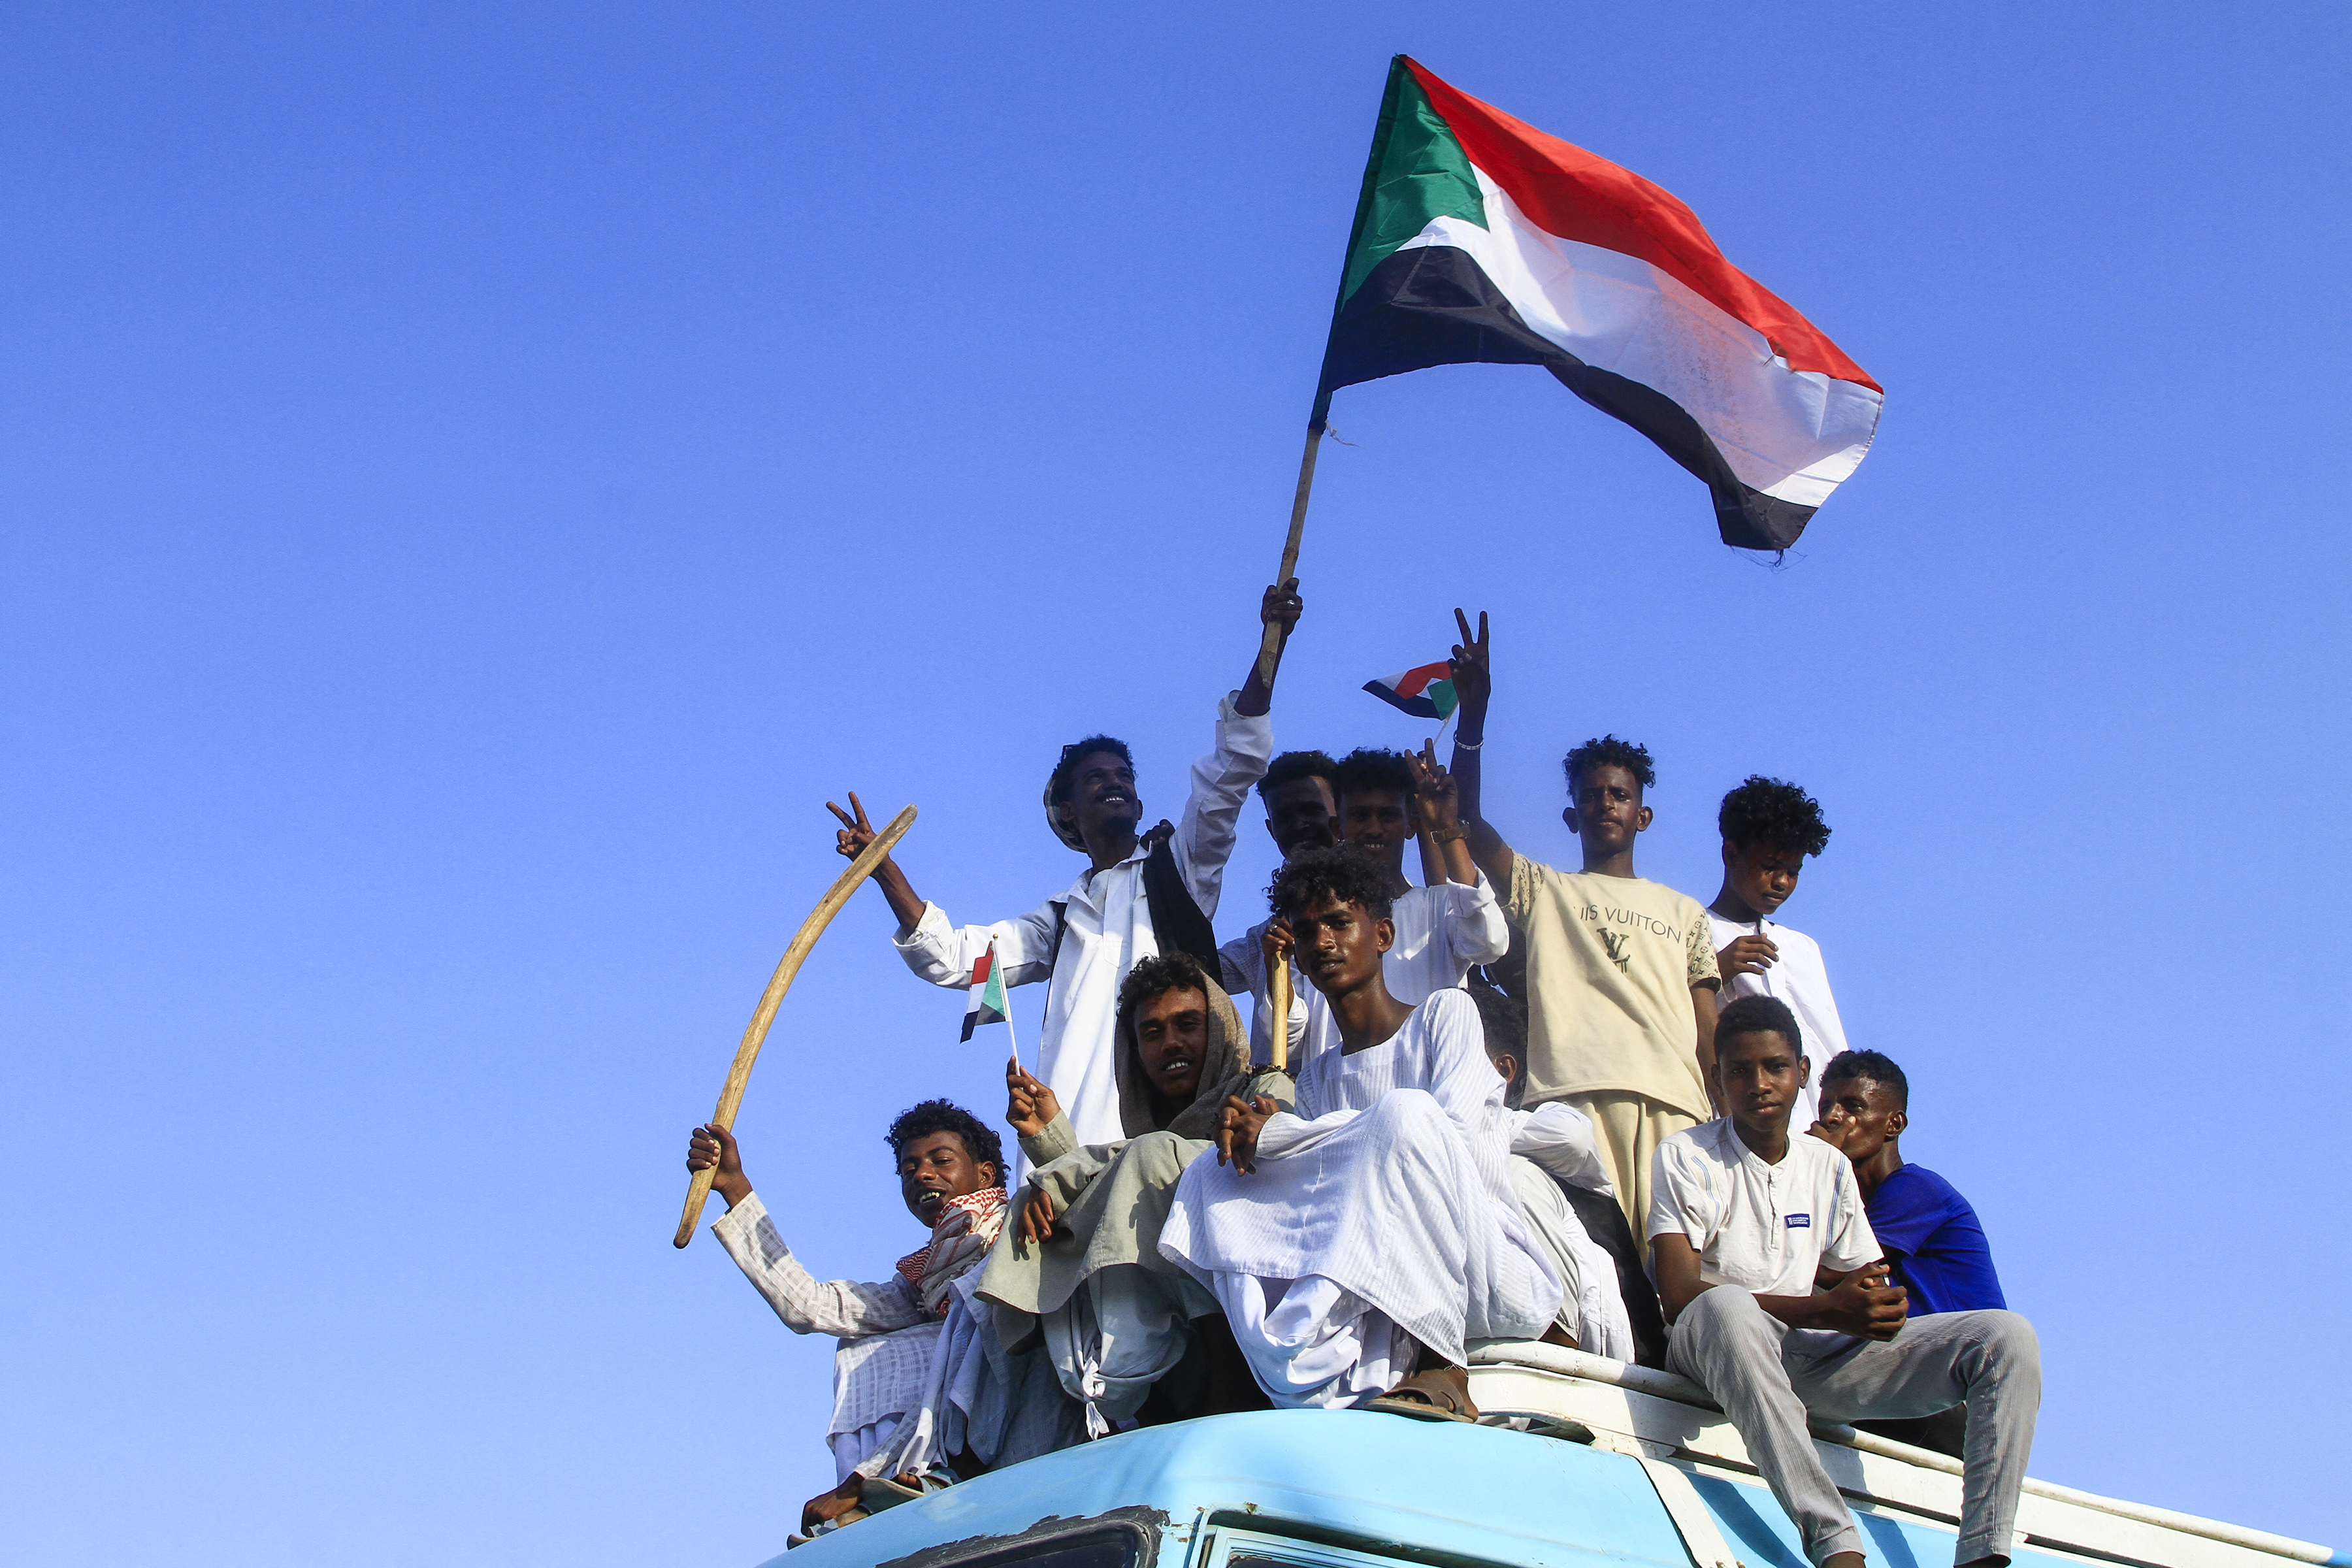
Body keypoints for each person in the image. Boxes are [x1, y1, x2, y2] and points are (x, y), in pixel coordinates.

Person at [830, 581, 1304, 1152]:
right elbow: (956, 958)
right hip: (1073, 1142)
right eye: (1096, 779)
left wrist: (1268, 649)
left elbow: (1229, 771)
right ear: (1068, 813)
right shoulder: (1059, 920)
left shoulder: (1179, 867)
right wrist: (884, 870)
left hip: (1178, 1130)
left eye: (1124, 777)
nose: (1115, 784)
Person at [1158, 847, 1561, 1420]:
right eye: (1305, 931)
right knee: (1208, 1173)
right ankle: (1252, 1376)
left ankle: (1443, 1368)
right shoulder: (1319, 1075)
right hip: (1380, 1286)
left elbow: (1453, 1149)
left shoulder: (1444, 1015)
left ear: (1384, 935)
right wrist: (1264, 1143)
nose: (1322, 941)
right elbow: (1328, 1189)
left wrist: (1288, 1138)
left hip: (1487, 1272)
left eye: (1339, 923)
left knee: (1406, 1118)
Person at [1650, 997, 2040, 1568]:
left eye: (1776, 1067)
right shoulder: (1686, 1153)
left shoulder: (1827, 1166)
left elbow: (1863, 1279)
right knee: (1728, 1306)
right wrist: (1827, 1310)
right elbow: (1680, 1294)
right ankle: (1836, 1543)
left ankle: (1983, 1552)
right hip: (1714, 1351)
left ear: (1802, 1073)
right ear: (1718, 1078)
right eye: (1740, 1070)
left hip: (1803, 1359)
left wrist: (1873, 1307)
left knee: (2008, 1336)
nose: (1759, 1083)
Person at [1443, 608, 1721, 1247]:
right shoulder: (1545, 890)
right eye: (1591, 796)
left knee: (1677, 1275)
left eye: (1618, 795)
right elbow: (1466, 821)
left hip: (1673, 1104)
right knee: (1594, 1276)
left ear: (1643, 814)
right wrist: (1474, 716)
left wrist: (1722, 1114)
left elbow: (1710, 1027)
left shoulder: (1684, 912)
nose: (1605, 805)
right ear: (1572, 815)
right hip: (1570, 1100)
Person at [981, 954, 1292, 1436]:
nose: (1171, 1043)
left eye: (1188, 1024)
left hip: (1263, 1304)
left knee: (1154, 1160)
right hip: (1179, 1351)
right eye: (1151, 1033)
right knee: (1032, 1209)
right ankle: (1134, 1400)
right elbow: (1122, 1186)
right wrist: (1055, 1154)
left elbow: (1207, 1163)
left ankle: (1220, 1383)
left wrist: (1068, 1168)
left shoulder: (1264, 1087)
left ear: (1220, 1029)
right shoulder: (1146, 1136)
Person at [684, 1102, 1010, 1489]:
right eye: (908, 1170)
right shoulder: (923, 1282)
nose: (922, 1175)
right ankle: (890, 1486)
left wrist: (860, 1480)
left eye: (941, 1161)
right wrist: (735, 1185)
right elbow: (810, 1305)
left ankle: (908, 1477)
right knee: (859, 1349)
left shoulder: (1016, 1227)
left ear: (985, 1174)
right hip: (943, 1427)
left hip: (1019, 1405)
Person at [1816, 1048, 2008, 1458]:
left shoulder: (1916, 1190)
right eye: (1827, 1105)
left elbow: (1824, 1269)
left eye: (1853, 1106)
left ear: (1894, 1123)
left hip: (1955, 1404)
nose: (1834, 1117)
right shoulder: (1857, 1206)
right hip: (1903, 1383)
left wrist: (1812, 1167)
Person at [1468, 982, 1639, 1362]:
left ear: (1504, 1070)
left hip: (1606, 1327)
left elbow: (1572, 1139)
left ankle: (1557, 1348)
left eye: (1455, 1053)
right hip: (1489, 1317)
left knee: (1516, 1173)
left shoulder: (1549, 1122)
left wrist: (1465, 1129)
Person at [1708, 776, 1849, 1130]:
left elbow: (1829, 1042)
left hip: (1811, 1135)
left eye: (1793, 871)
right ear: (1731, 854)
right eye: (1770, 867)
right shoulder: (1689, 929)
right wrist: (1715, 969)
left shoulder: (1802, 948)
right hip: (1732, 1125)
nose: (1782, 882)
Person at [1217, 749, 1338, 1063]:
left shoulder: (1384, 914)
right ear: (1271, 830)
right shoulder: (1263, 942)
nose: (1300, 825)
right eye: (1285, 817)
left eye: (1312, 810)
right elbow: (1202, 973)